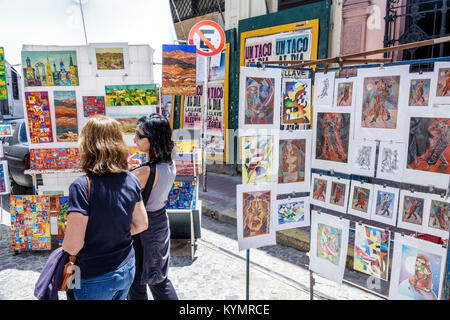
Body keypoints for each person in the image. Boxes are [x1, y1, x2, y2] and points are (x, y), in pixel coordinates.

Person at [62, 115, 148, 300]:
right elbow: (141, 224)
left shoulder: (82, 186)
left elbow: (73, 245)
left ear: (87, 146)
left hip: (93, 274)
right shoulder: (131, 179)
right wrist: (114, 234)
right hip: (126, 267)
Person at [127, 113, 179, 300]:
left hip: (140, 229)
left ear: (153, 139)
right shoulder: (169, 163)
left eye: (139, 135)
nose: (135, 139)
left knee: (137, 282)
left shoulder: (145, 172)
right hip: (159, 224)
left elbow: (119, 190)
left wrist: (126, 169)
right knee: (158, 278)